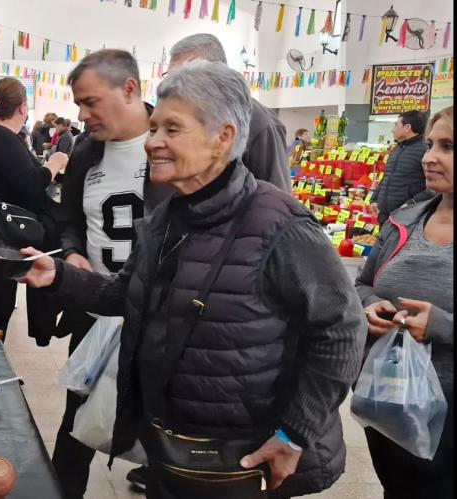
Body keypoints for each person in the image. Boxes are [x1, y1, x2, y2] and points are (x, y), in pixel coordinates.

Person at [19, 61, 365, 499]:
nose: (153, 143)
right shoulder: (167, 217)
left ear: (223, 137)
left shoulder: (281, 226)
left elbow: (343, 331)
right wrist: (58, 276)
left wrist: (294, 434)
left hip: (242, 464)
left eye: (171, 130)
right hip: (172, 452)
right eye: (154, 128)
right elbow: (125, 294)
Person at [48, 49, 152, 499]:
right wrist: (72, 253)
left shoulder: (171, 143)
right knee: (75, 426)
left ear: (129, 88)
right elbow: (69, 220)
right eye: (78, 104)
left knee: (162, 429)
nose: (82, 114)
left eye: (91, 102)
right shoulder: (86, 152)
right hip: (95, 310)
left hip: (156, 318)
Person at [355, 106, 453, 499]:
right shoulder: (404, 219)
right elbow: (361, 285)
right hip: (391, 395)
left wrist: (441, 324)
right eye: (430, 144)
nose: (429, 157)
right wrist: (369, 306)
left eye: (449, 146)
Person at [144, 33, 291, 213]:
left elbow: (277, 196)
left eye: (187, 74)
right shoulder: (168, 115)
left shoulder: (258, 120)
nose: (175, 85)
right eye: (172, 76)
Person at [0, 77, 66, 332]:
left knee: (1, 303)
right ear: (22, 107)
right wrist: (54, 164)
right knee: (0, 305)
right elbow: (31, 184)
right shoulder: (2, 138)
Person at [370, 110, 428, 224]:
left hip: (407, 218)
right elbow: (386, 177)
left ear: (407, 127)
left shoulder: (425, 151)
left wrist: (411, 203)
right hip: (384, 215)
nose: (392, 129)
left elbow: (433, 188)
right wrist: (374, 199)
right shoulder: (396, 149)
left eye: (396, 125)